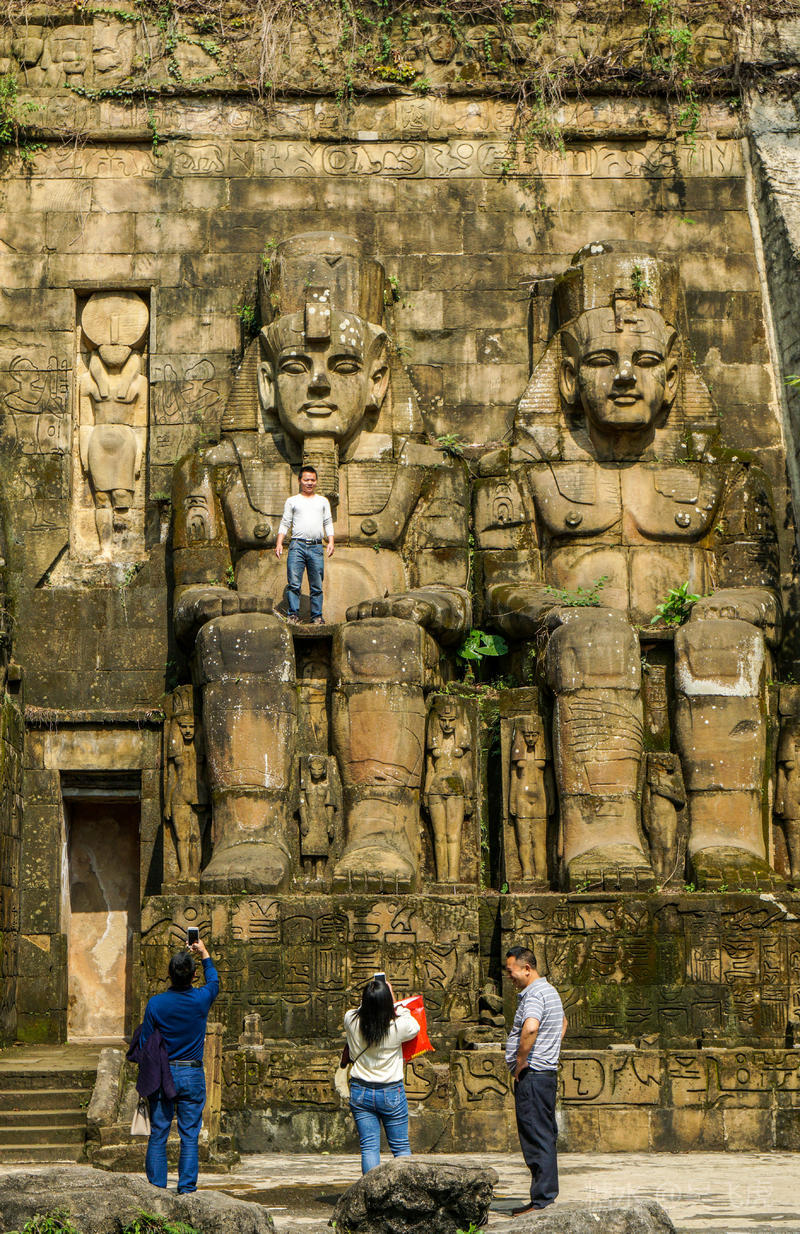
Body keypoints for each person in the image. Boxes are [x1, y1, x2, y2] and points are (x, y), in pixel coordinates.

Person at [140, 937, 219, 1194]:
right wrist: (204, 952)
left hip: (163, 1073)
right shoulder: (200, 999)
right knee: (189, 1135)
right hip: (191, 1072)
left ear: (170, 975)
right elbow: (214, 982)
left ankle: (156, 1190)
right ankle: (186, 1189)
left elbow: (145, 1043)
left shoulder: (156, 1004)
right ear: (194, 976)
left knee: (159, 1133)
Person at [505, 945, 567, 1216]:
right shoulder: (550, 991)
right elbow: (563, 1023)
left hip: (533, 1076)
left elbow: (530, 1027)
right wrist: (550, 1048)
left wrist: (521, 1061)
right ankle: (543, 1197)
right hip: (546, 1074)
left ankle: (542, 1201)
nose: (510, 976)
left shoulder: (533, 994)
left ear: (527, 969)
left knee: (536, 1136)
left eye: (512, 971)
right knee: (544, 1134)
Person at [343, 974, 420, 1173]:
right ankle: (406, 1189)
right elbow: (414, 1026)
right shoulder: (399, 1026)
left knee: (369, 1147)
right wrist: (392, 1000)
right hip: (391, 1091)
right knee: (400, 1147)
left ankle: (369, 1190)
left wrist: (374, 998)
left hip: (360, 1091)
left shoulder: (350, 1019)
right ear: (387, 1001)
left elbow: (360, 1010)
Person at [275, 464, 334, 624]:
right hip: (297, 546)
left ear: (316, 481)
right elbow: (285, 523)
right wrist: (279, 543)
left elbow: (328, 522)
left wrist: (331, 541)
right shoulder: (292, 501)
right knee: (294, 583)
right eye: (306, 480)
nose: (310, 483)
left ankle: (317, 617)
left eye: (312, 480)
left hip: (316, 546)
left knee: (317, 585)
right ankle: (293, 615)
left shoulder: (323, 501)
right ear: (300, 481)